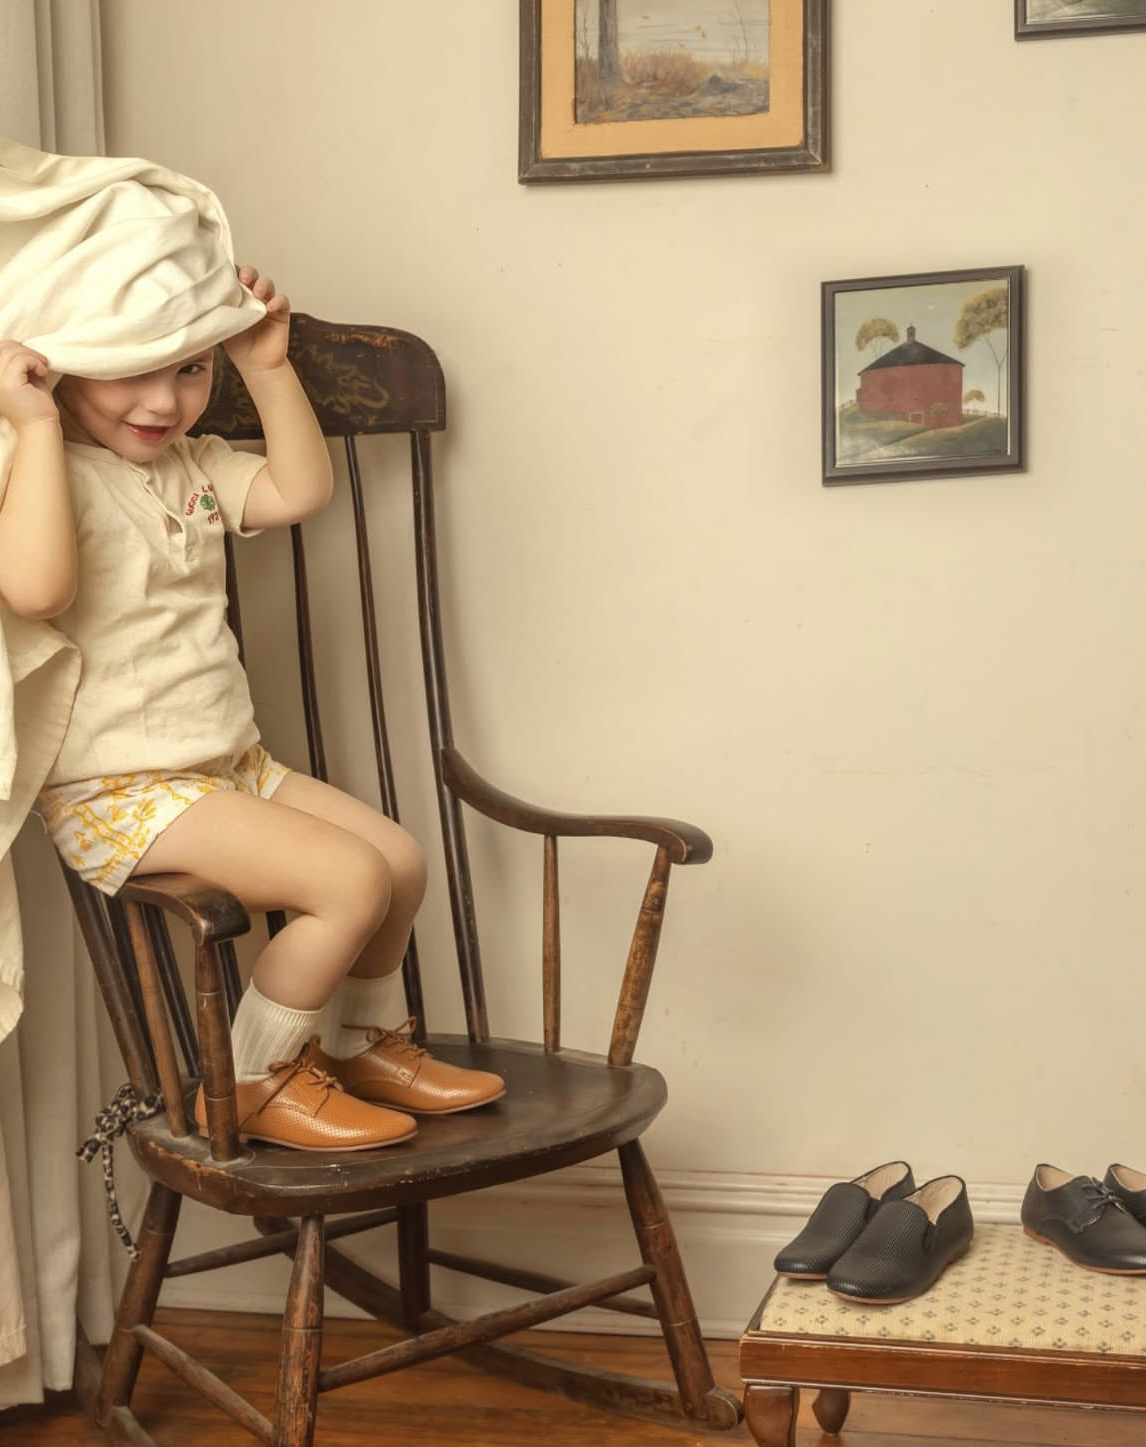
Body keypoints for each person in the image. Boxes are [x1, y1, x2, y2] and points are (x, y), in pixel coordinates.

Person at [0, 265, 504, 1152]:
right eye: (136, 369)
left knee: (400, 861)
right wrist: (32, 424)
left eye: (193, 368)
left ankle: (358, 1043)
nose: (167, 398)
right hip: (120, 790)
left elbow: (297, 491)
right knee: (349, 880)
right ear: (64, 363)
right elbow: (35, 590)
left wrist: (266, 366)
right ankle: (251, 1078)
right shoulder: (47, 474)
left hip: (229, 764)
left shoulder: (195, 465)